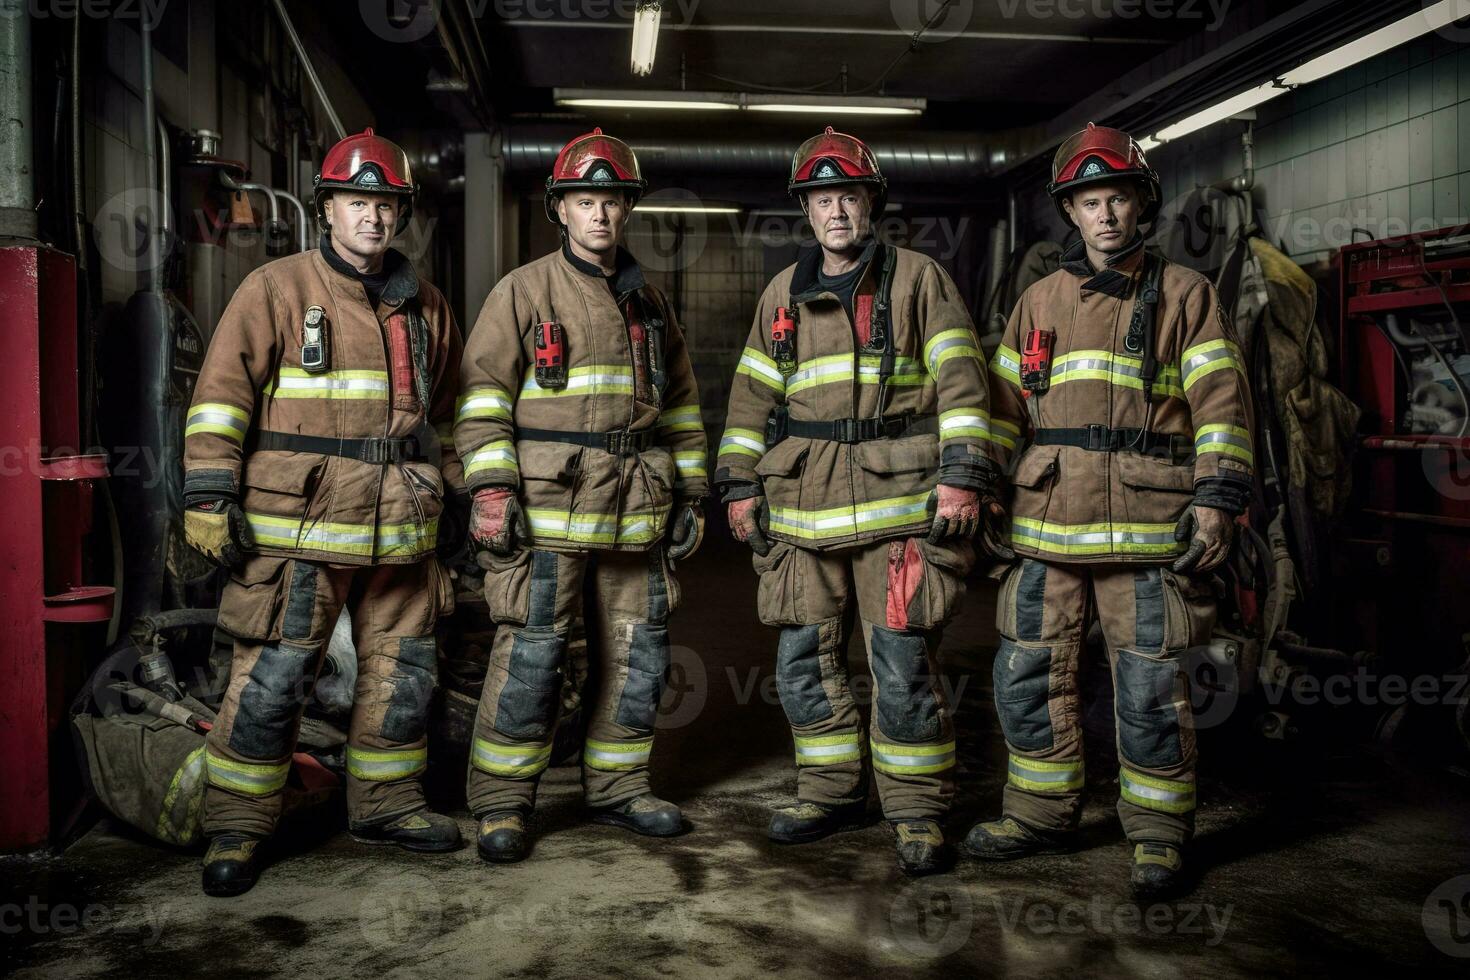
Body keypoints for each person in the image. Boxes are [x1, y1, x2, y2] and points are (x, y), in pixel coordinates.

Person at [964, 123, 1255, 898]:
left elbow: (1221, 405)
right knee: (1028, 674)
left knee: (1151, 685)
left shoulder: (1188, 296)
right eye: (1089, 202)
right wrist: (981, 481)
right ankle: (1038, 814)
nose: (1104, 216)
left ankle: (1158, 834)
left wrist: (1219, 500)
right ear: (1071, 212)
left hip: (1149, 532)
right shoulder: (1038, 301)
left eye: (1116, 198)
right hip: (1045, 528)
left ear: (1140, 204)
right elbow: (1000, 411)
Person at [716, 127, 1009, 876]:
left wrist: (964, 471)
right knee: (802, 661)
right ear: (806, 210)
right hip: (804, 510)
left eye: (849, 195)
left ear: (871, 202)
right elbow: (751, 398)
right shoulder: (782, 294)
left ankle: (916, 814)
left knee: (902, 662)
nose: (836, 210)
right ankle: (832, 792)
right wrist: (740, 484)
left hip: (901, 508)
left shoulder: (919, 279)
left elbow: (963, 384)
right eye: (822, 198)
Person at [183, 128, 467, 896]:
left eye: (384, 203)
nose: (372, 218)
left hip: (403, 531)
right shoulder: (275, 290)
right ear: (328, 209)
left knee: (402, 676)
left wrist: (466, 497)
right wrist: (209, 492)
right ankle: (238, 827)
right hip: (297, 532)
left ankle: (387, 805)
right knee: (273, 676)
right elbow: (219, 399)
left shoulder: (428, 309)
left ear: (400, 213)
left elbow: (454, 415)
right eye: (356, 201)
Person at [456, 129, 708, 863]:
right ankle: (503, 802)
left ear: (629, 211)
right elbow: (480, 401)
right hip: (547, 515)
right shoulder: (522, 292)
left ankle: (620, 787)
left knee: (637, 655)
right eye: (585, 201)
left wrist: (690, 490)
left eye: (613, 202)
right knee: (532, 656)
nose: (600, 215)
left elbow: (683, 405)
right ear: (559, 210)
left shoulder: (650, 302)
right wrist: (493, 488)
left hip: (637, 512)